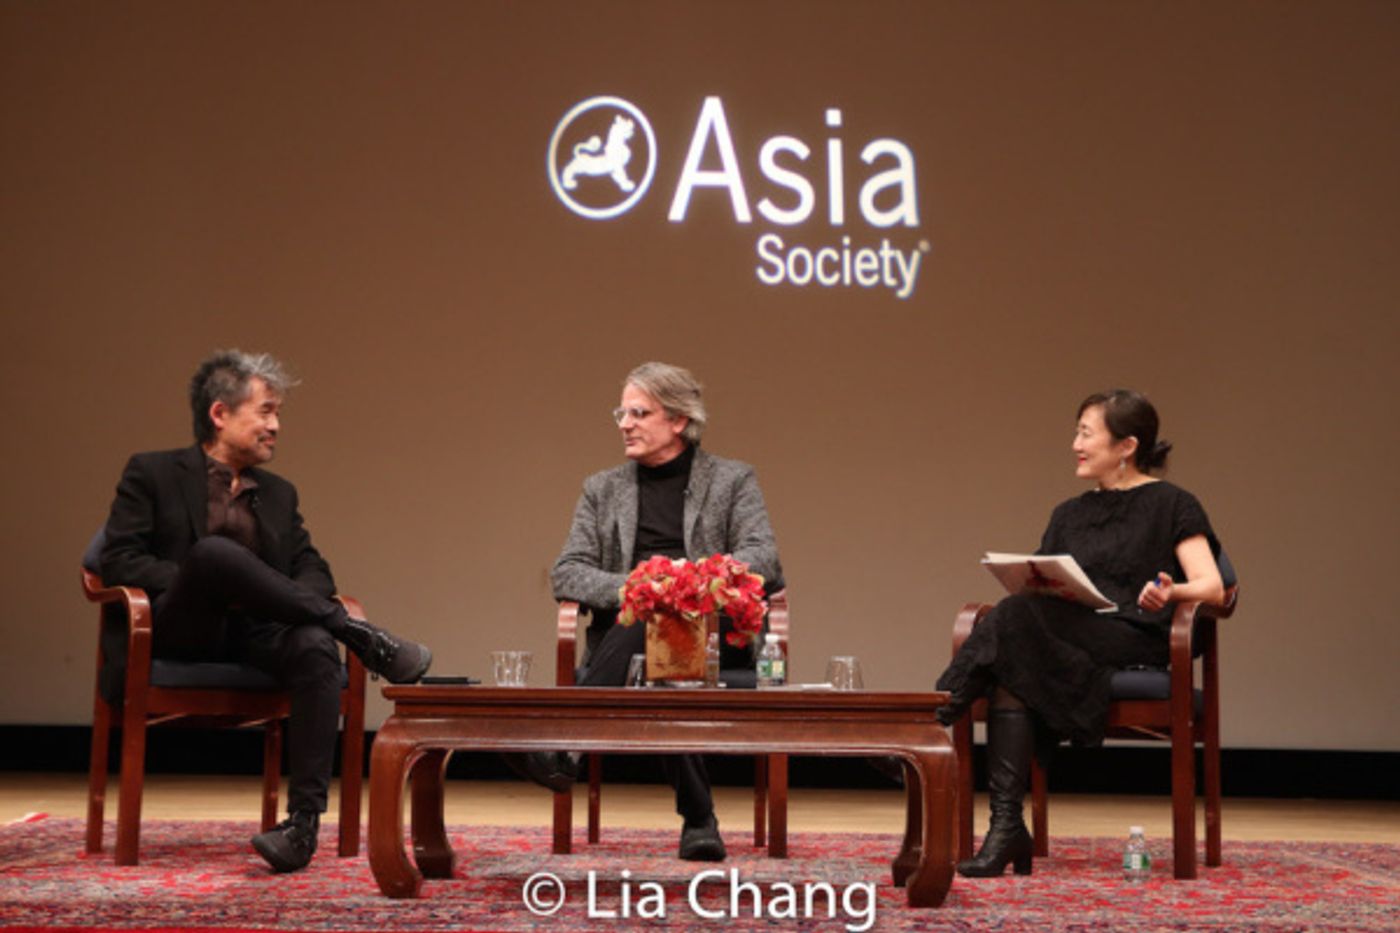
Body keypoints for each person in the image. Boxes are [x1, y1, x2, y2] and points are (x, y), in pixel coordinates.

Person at [99, 350, 433, 873]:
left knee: (316, 646)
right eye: (266, 411)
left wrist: (261, 592)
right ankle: (362, 636)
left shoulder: (278, 494)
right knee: (213, 556)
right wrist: (213, 581)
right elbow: (119, 558)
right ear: (220, 414)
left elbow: (313, 571)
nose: (276, 426)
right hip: (179, 628)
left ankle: (301, 825)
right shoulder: (153, 472)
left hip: (256, 635)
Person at [935, 389, 1225, 878]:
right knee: (1014, 651)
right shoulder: (1068, 512)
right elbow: (1043, 584)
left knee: (1012, 620)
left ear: (1127, 445)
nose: (1076, 443)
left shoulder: (1172, 504)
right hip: (1074, 636)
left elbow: (1214, 587)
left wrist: (1172, 592)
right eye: (1077, 432)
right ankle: (1007, 827)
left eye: (1086, 433)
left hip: (1136, 637)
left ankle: (930, 717)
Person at [511, 361, 784, 862]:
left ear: (678, 420)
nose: (624, 423)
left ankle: (567, 747)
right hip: (632, 639)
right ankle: (699, 820)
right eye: (621, 412)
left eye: (639, 412)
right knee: (655, 632)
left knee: (665, 625)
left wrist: (688, 584)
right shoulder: (602, 489)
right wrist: (640, 588)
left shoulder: (731, 480)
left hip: (715, 637)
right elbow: (567, 571)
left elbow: (765, 559)